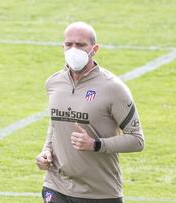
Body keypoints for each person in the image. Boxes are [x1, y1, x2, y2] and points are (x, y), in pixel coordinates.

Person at [36, 22, 145, 203]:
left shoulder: (113, 88)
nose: (73, 49)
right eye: (69, 44)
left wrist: (95, 144)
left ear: (94, 49)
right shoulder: (53, 83)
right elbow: (56, 123)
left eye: (80, 45)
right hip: (57, 185)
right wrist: (46, 150)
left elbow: (137, 140)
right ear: (62, 47)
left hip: (100, 192)